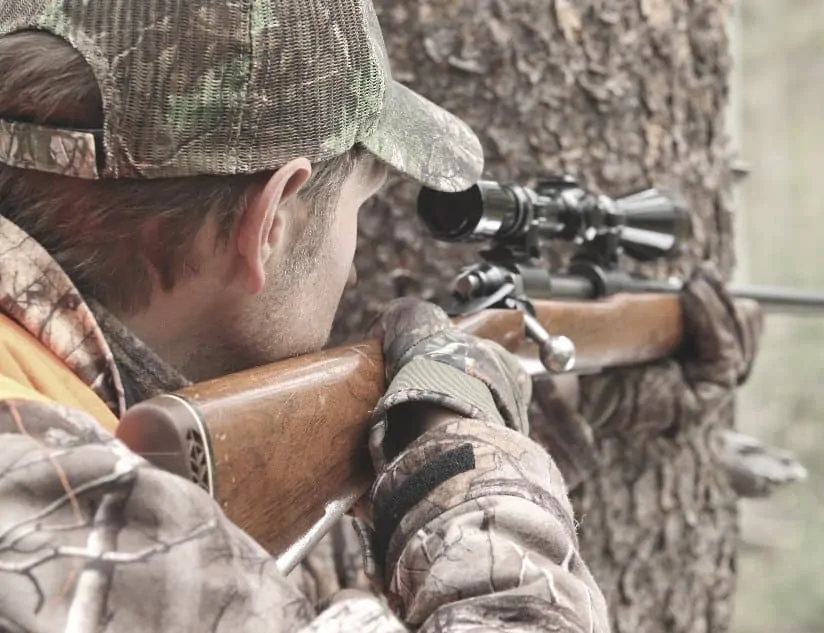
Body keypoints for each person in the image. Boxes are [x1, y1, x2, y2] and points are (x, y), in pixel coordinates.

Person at [0, 1, 762, 631]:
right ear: (273, 218)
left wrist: (524, 417)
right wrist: (471, 472)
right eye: (361, 206)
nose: (356, 264)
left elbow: (229, 570)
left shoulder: (47, 419)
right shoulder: (48, 497)